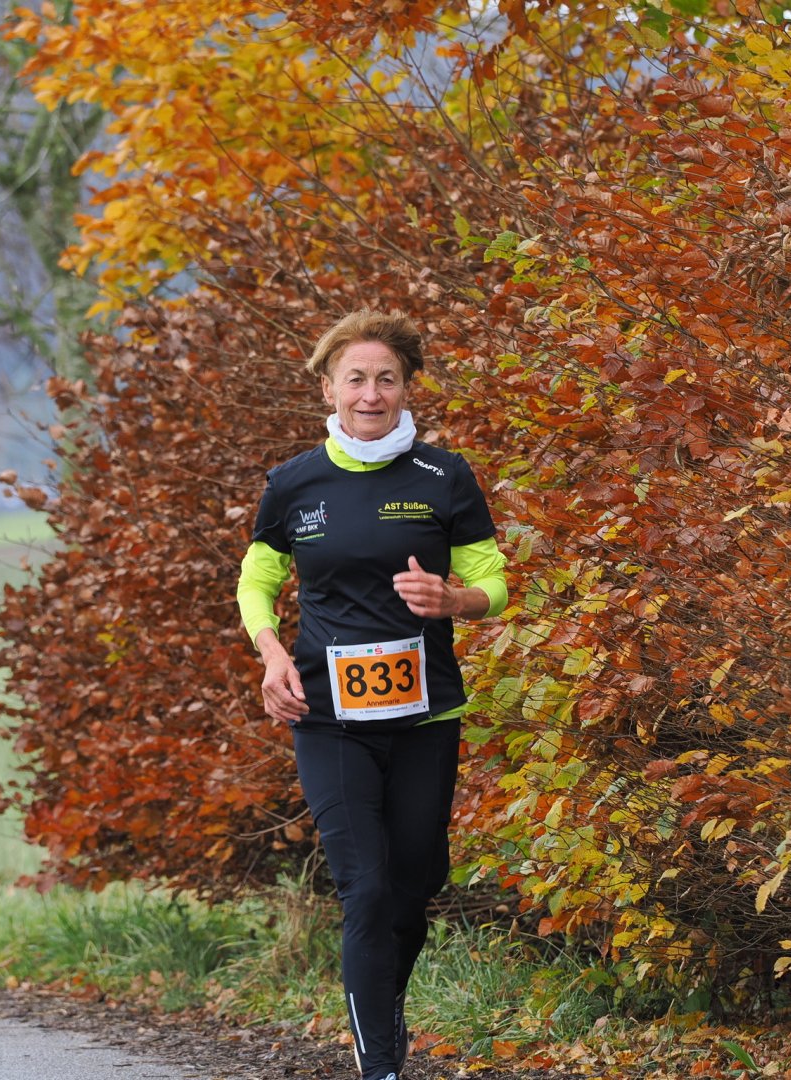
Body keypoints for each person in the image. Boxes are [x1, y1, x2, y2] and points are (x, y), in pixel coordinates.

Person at [236, 311, 508, 1080]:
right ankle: (380, 1066)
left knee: (414, 886)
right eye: (355, 379)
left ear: (406, 387)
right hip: (329, 718)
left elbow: (494, 581)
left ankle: (381, 1002)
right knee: (367, 886)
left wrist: (456, 601)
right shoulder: (294, 484)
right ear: (329, 389)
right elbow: (257, 579)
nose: (370, 393)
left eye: (386, 379)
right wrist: (270, 654)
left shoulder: (443, 477)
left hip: (427, 717)